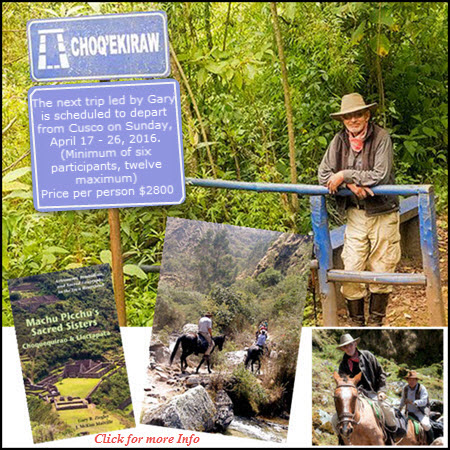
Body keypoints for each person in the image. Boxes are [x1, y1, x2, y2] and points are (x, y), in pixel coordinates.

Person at [318, 93, 401, 326]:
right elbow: (323, 174)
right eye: (348, 117)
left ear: (367, 115)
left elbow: (379, 175)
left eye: (357, 115)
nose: (353, 120)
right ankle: (357, 324)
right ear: (343, 120)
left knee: (382, 269)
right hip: (356, 214)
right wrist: (350, 185)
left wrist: (344, 175)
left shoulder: (381, 137)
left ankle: (375, 324)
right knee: (351, 269)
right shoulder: (339, 141)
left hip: (383, 212)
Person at [331, 333, 398, 436]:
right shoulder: (343, 365)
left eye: (350, 345)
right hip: (355, 397)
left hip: (372, 393)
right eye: (345, 346)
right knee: (335, 419)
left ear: (355, 344)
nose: (349, 348)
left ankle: (392, 435)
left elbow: (381, 374)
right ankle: (342, 440)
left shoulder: (368, 355)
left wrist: (381, 391)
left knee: (387, 409)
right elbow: (343, 384)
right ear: (343, 349)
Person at [399, 370, 434, 444]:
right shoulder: (405, 388)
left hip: (420, 411)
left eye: (413, 380)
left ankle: (431, 442)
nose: (411, 381)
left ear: (416, 380)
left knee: (426, 425)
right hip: (408, 411)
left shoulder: (422, 388)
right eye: (409, 380)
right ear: (407, 380)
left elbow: (424, 401)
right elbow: (403, 399)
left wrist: (414, 402)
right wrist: (400, 408)